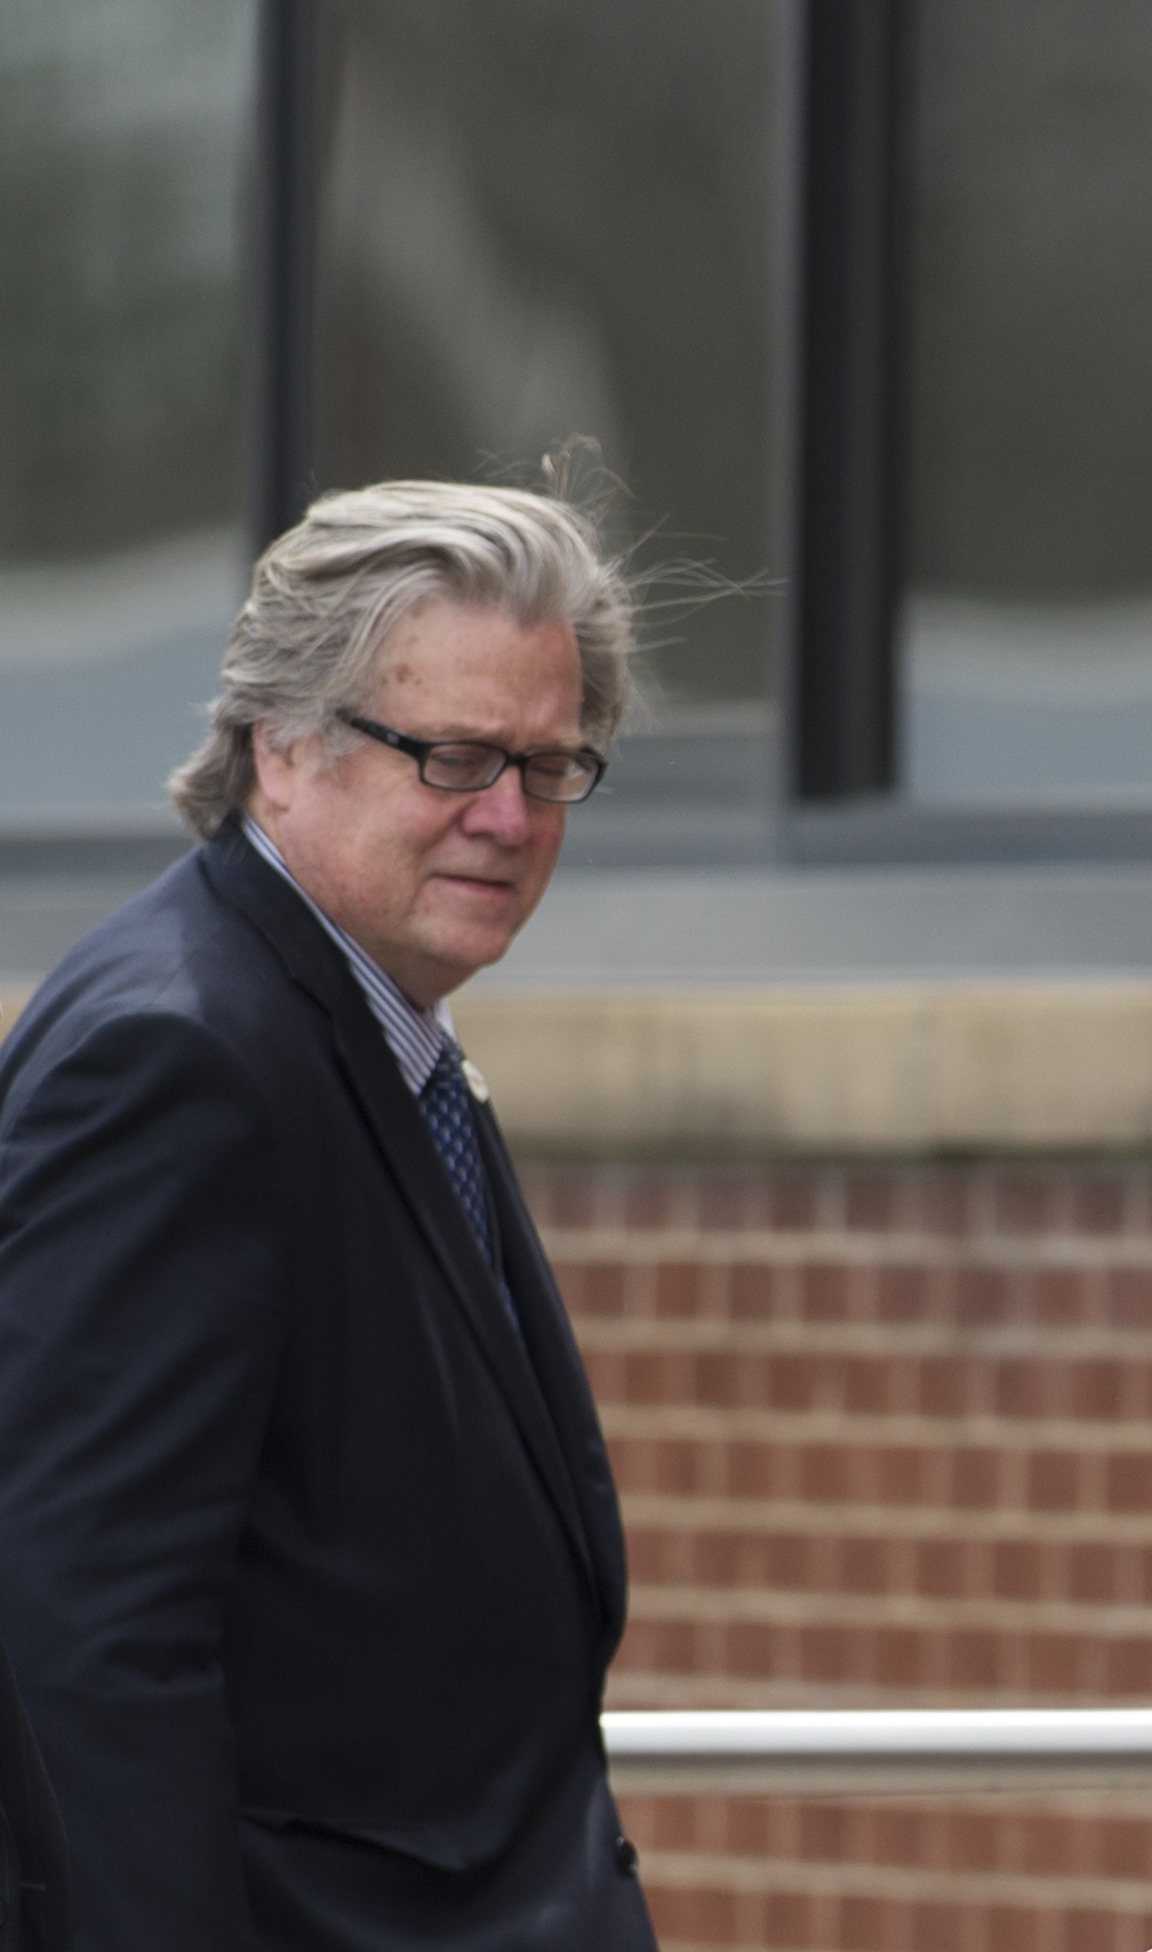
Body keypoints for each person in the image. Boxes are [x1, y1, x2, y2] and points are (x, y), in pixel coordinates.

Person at [0, 480, 655, 1949]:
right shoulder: (180, 1055)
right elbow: (84, 1642)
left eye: (551, 767)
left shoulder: (366, 1028)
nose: (508, 817)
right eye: (455, 755)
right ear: (279, 746)